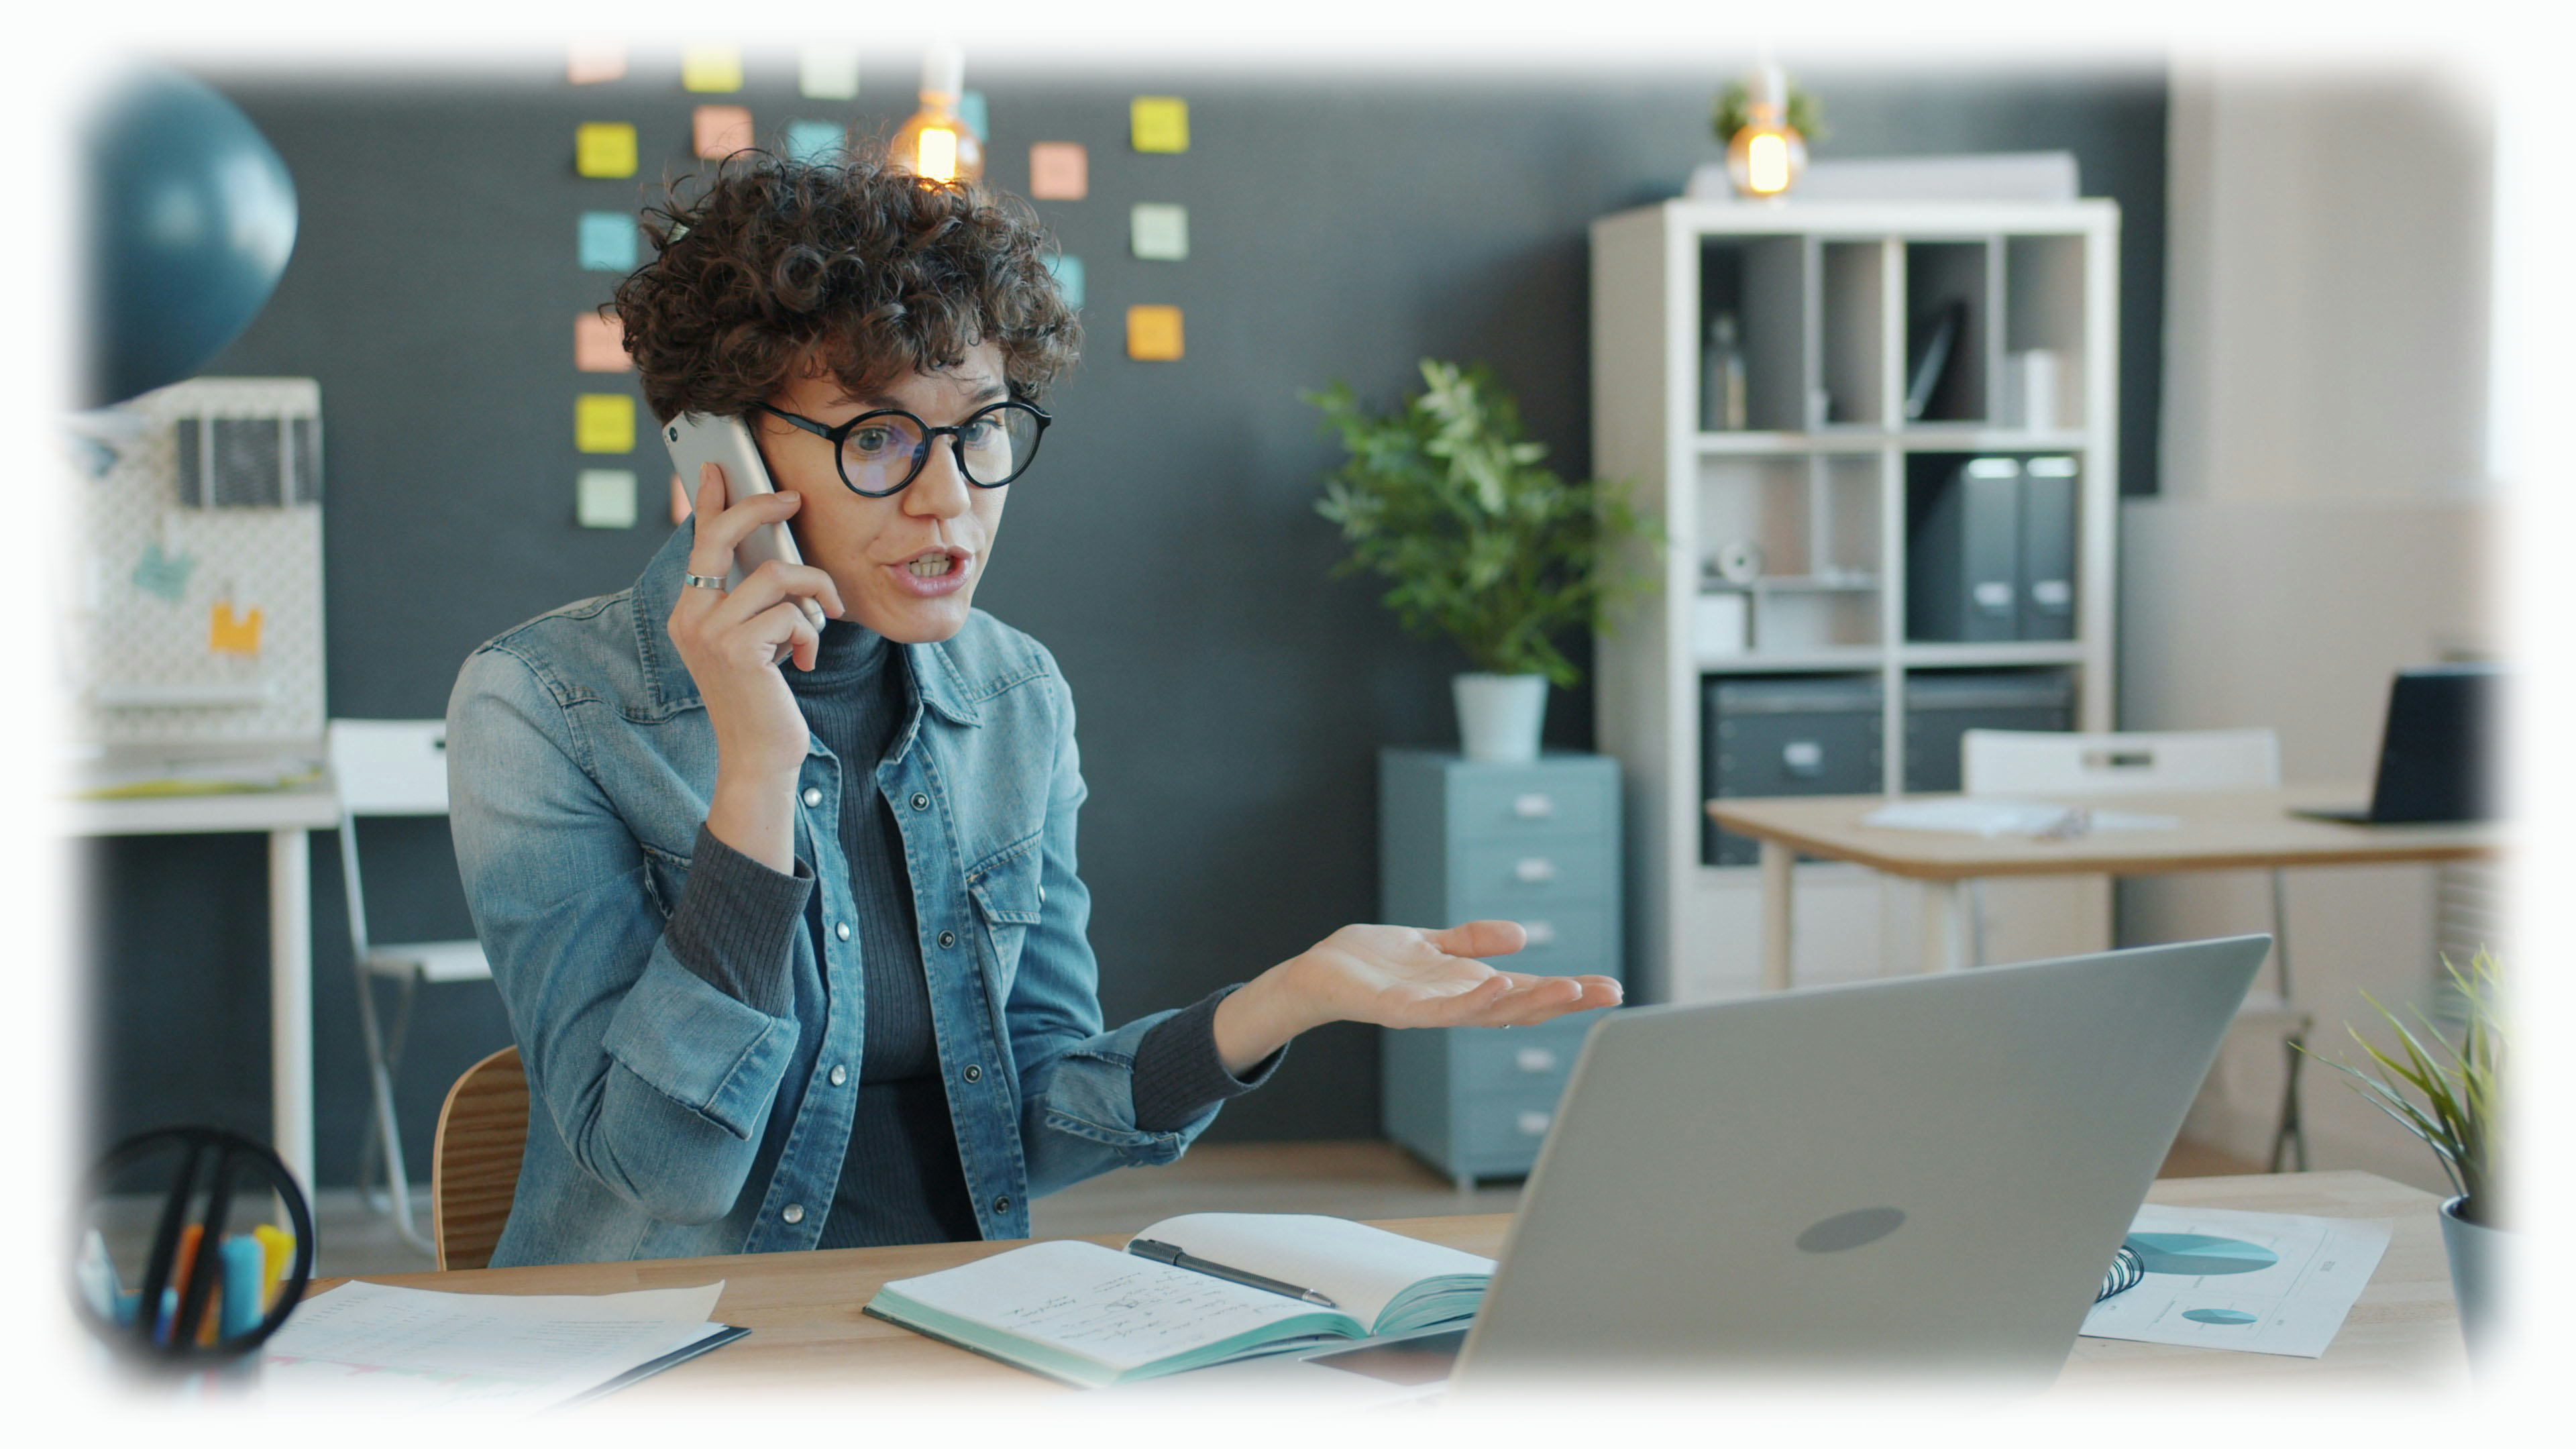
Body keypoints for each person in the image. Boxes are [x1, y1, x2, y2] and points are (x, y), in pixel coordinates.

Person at [445, 155, 1619, 1268]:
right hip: (670, 1348)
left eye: (980, 427)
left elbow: (1031, 1122)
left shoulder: (1013, 696)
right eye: (878, 437)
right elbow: (669, 1169)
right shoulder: (545, 706)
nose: (949, 499)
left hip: (956, 1317)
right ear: (721, 458)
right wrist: (757, 772)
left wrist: (1291, 999)